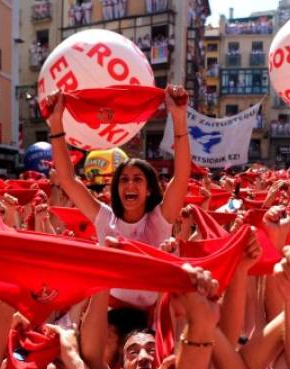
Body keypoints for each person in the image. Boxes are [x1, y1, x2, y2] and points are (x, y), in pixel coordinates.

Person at [46, 84, 191, 307]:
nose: (129, 185)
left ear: (149, 189)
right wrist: (56, 122)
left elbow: (181, 177)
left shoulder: (159, 219)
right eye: (123, 180)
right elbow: (68, 180)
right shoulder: (105, 218)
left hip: (154, 320)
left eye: (137, 179)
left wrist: (179, 117)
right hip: (112, 318)